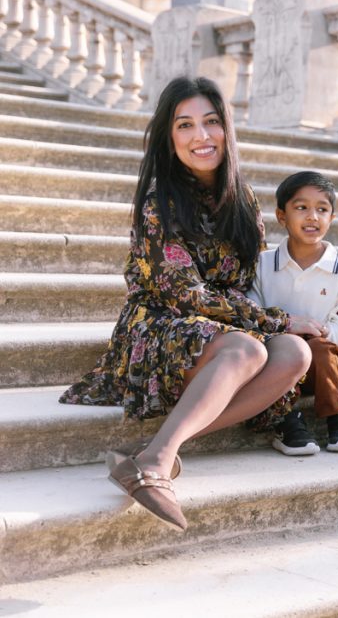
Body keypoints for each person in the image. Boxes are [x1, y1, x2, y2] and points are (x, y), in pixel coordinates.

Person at [58, 76, 318, 532]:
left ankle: (152, 451)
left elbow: (246, 281)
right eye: (185, 125)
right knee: (249, 349)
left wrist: (329, 306)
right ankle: (157, 462)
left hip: (220, 328)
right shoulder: (159, 201)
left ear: (226, 129)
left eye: (211, 122)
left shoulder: (243, 198)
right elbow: (183, 293)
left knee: (295, 353)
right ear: (169, 136)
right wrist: (277, 319)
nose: (201, 136)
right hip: (159, 322)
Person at [248, 171, 338, 456]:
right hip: (277, 363)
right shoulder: (263, 265)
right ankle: (286, 420)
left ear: (331, 218)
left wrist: (325, 331)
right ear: (282, 216)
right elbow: (251, 312)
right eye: (301, 208)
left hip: (322, 365)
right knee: (281, 353)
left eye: (322, 209)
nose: (312, 217)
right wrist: (285, 331)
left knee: (322, 347)